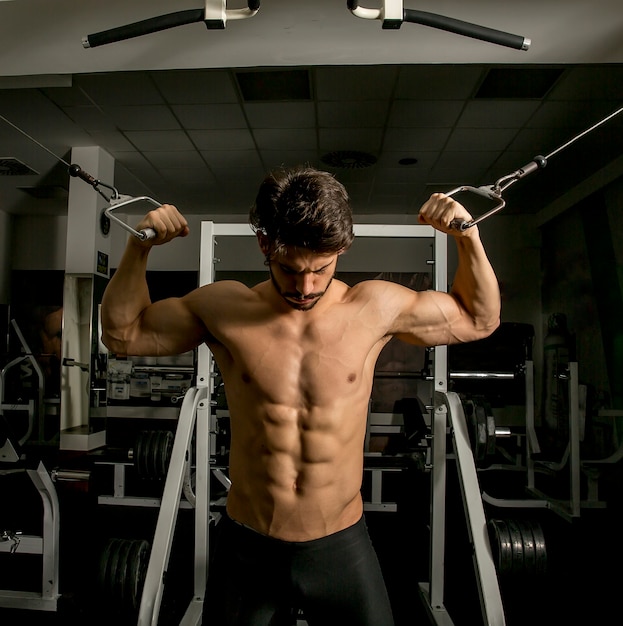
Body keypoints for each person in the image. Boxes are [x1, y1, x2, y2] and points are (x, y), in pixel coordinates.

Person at [101, 166, 500, 626]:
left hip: (340, 546)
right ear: (264, 246)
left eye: (321, 269)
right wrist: (138, 247)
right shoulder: (225, 308)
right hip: (248, 546)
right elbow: (123, 335)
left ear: (342, 250)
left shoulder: (374, 307)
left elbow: (478, 319)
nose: (305, 287)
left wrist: (467, 235)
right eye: (289, 270)